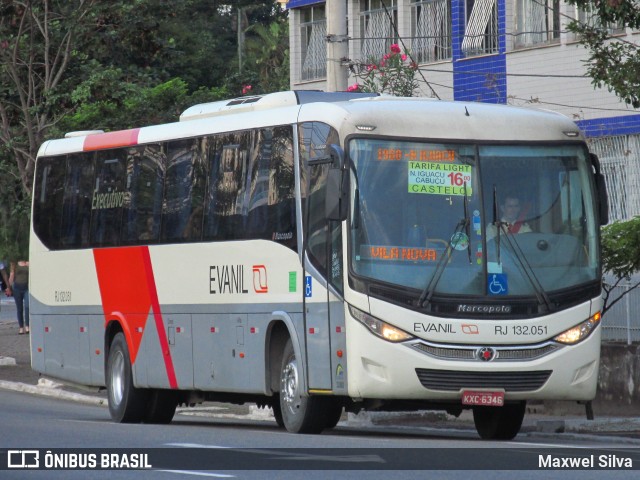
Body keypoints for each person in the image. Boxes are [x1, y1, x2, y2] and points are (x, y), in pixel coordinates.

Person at [9, 258, 29, 334]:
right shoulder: (14, 264)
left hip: (26, 288)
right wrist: (9, 286)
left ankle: (27, 326)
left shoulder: (28, 263)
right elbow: (11, 279)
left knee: (27, 306)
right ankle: (21, 327)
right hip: (17, 288)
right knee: (19, 308)